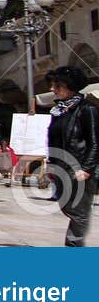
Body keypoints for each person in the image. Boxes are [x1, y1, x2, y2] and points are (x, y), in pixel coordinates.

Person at [47, 65, 98, 247]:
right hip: (61, 166)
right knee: (66, 205)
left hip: (78, 166)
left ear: (69, 86)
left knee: (79, 212)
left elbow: (95, 142)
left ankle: (73, 249)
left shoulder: (86, 109)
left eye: (57, 86)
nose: (52, 89)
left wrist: (86, 169)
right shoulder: (59, 111)